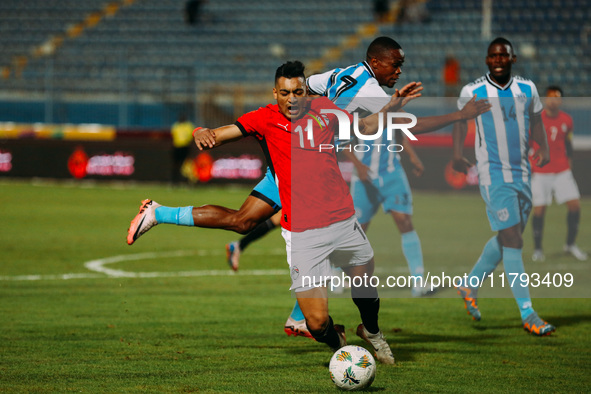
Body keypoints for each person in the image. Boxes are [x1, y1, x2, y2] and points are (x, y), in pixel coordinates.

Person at [130, 60, 424, 363]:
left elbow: (364, 126)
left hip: (342, 222)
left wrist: (391, 107)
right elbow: (223, 133)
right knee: (317, 323)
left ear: (305, 91)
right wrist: (203, 130)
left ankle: (373, 333)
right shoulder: (264, 118)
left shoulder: (325, 109)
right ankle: (343, 351)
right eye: (285, 93)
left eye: (298, 91)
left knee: (366, 289)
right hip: (302, 231)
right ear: (275, 93)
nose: (292, 99)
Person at [305, 36, 491, 298]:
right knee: (345, 230)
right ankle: (325, 284)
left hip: (389, 171)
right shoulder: (371, 92)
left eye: (401, 65)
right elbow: (408, 124)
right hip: (356, 172)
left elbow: (307, 84)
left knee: (402, 222)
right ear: (375, 62)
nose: (399, 71)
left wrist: (411, 155)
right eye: (395, 65)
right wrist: (460, 115)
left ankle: (417, 282)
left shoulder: (343, 73)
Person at [452, 37, 556, 336]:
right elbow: (460, 120)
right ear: (487, 60)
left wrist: (544, 147)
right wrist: (457, 153)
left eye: (503, 55)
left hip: (522, 174)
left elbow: (536, 118)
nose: (497, 60)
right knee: (512, 239)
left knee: (507, 236)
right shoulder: (472, 91)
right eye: (493, 56)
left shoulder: (528, 89)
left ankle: (469, 285)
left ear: (513, 59)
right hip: (493, 174)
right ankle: (528, 312)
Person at [531, 86, 587, 262]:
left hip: (562, 170)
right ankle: (538, 249)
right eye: (550, 97)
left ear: (561, 100)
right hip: (541, 171)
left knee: (575, 206)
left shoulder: (567, 120)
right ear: (545, 99)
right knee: (539, 209)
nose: (553, 100)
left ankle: (570, 244)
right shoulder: (536, 119)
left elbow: (568, 144)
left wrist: (569, 163)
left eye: (556, 97)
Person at [170, 113, 195, 185]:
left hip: (186, 147)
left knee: (187, 165)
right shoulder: (176, 126)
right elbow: (173, 137)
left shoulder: (189, 126)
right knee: (176, 165)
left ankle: (188, 181)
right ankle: (175, 181)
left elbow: (192, 138)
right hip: (177, 147)